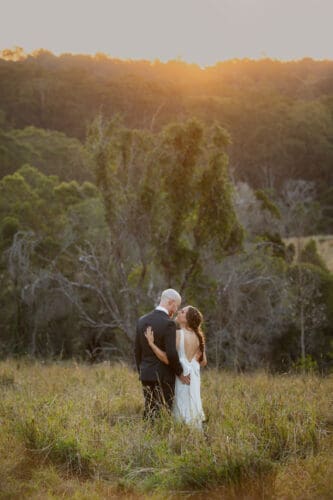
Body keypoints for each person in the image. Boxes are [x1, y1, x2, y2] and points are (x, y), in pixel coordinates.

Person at [145, 305, 207, 429]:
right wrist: (191, 362)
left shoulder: (178, 334)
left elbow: (167, 358)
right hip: (193, 378)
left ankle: (181, 434)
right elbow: (204, 362)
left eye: (183, 312)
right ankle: (193, 435)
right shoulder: (198, 337)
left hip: (182, 377)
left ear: (188, 319)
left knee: (181, 405)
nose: (179, 312)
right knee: (193, 405)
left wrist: (151, 344)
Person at [134, 288, 190, 420]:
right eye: (176, 306)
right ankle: (160, 438)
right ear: (171, 302)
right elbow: (171, 353)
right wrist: (179, 372)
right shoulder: (168, 324)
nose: (176, 310)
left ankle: (146, 438)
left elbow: (137, 351)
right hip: (164, 376)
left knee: (149, 409)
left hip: (146, 373)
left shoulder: (142, 320)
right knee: (164, 412)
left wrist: (141, 370)